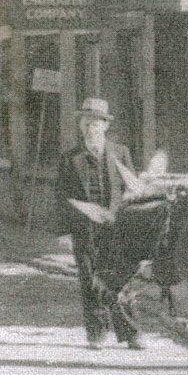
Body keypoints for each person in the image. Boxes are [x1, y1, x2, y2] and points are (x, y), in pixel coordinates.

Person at [54, 97, 142, 350]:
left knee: (122, 279)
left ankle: (132, 332)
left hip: (116, 228)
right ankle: (97, 332)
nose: (90, 127)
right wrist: (63, 232)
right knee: (90, 280)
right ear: (81, 126)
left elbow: (133, 191)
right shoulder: (70, 159)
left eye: (95, 122)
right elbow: (61, 197)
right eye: (86, 121)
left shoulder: (120, 153)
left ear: (105, 126)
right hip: (85, 230)